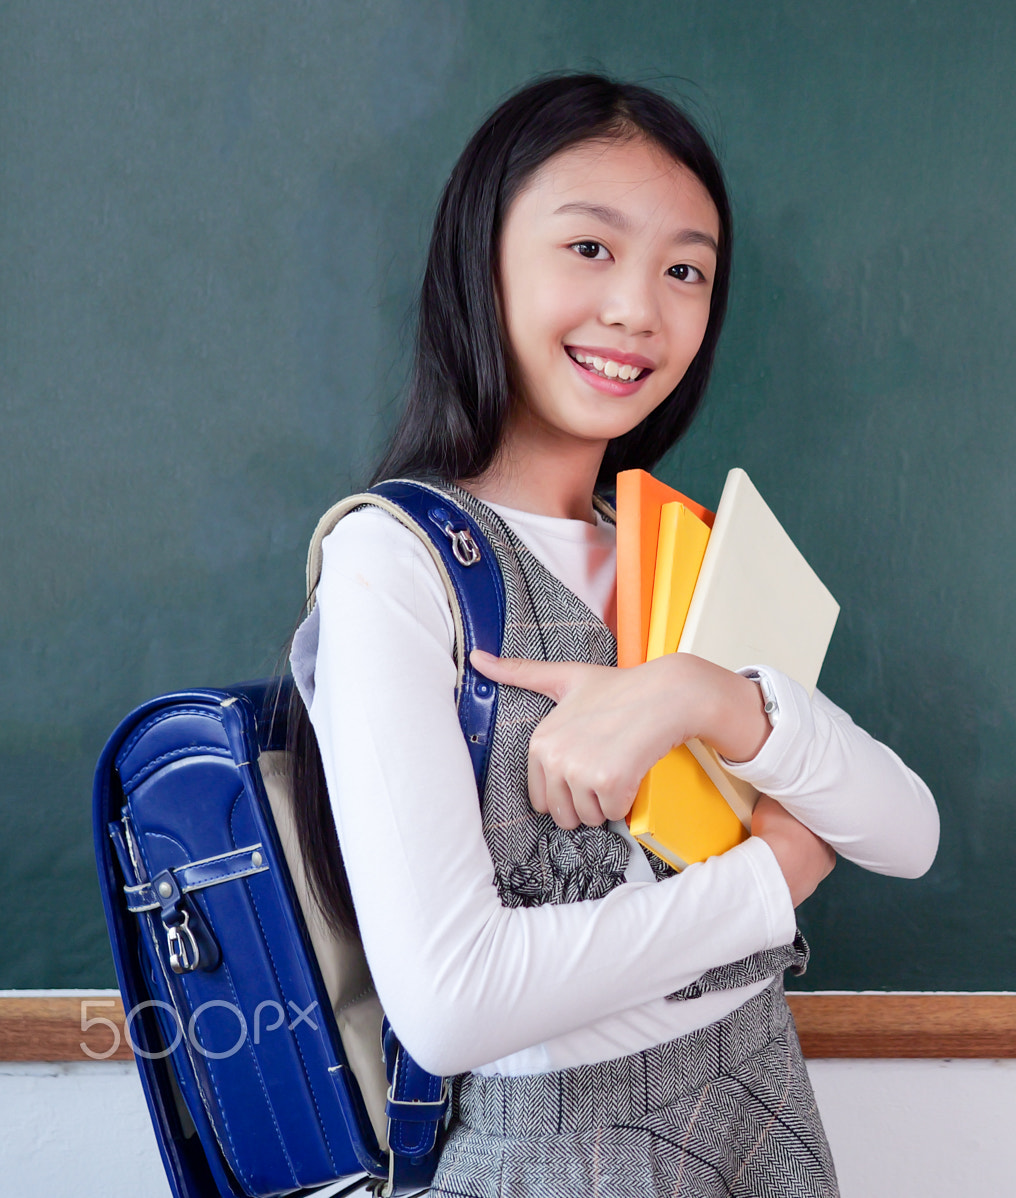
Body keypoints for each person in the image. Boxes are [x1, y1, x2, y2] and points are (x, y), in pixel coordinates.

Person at [283, 73, 939, 1198]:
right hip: (558, 1151)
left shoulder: (668, 543)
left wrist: (703, 695)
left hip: (755, 1090)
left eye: (684, 269)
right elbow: (451, 1000)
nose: (640, 307)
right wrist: (769, 879)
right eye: (590, 248)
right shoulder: (393, 562)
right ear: (478, 261)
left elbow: (907, 830)